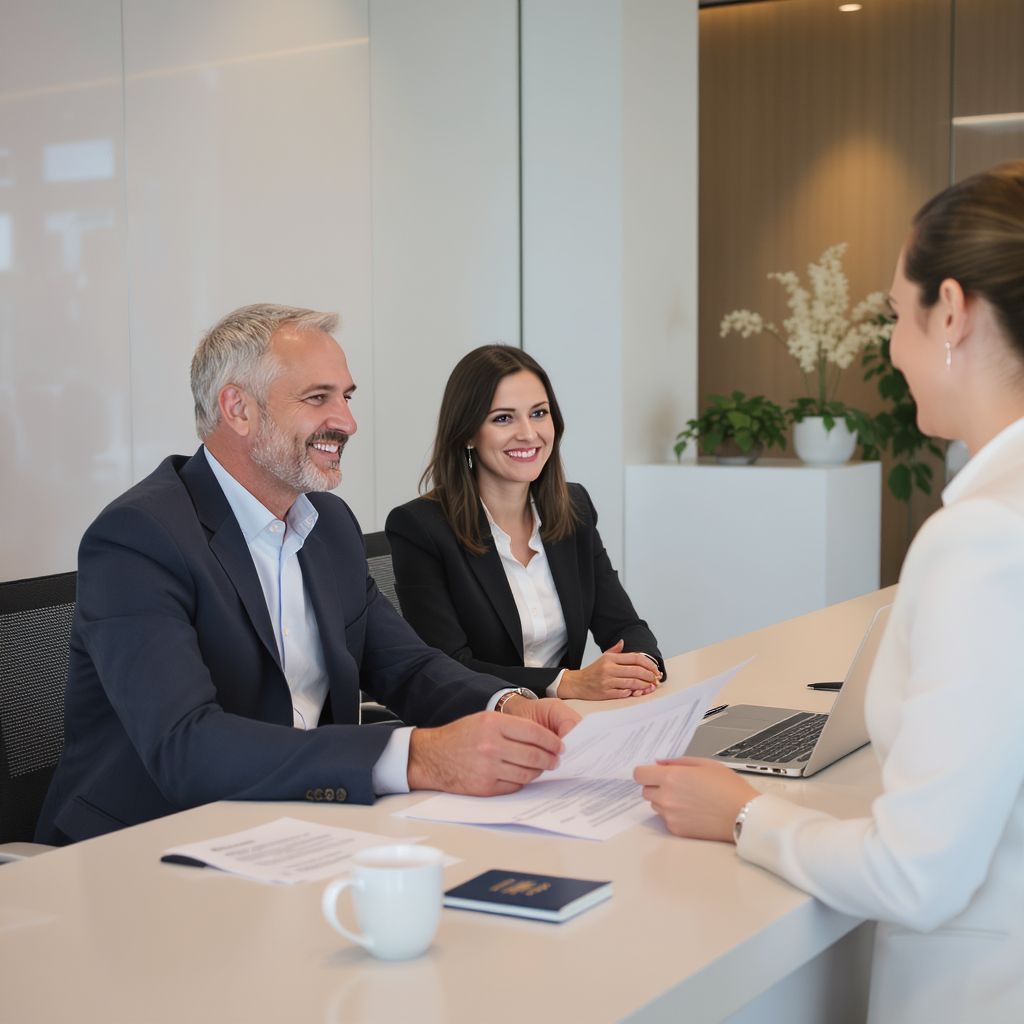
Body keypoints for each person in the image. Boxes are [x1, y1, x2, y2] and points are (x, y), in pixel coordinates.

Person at [635, 162, 1024, 1022]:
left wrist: (746, 814)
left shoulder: (984, 537)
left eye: (895, 314)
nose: (891, 345)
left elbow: (914, 874)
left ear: (951, 311)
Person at [37, 305, 579, 845]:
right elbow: (185, 745)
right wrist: (418, 757)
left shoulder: (329, 526)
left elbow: (406, 667)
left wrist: (510, 705)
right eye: (318, 398)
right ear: (238, 408)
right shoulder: (139, 536)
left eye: (347, 396)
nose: (347, 421)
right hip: (146, 844)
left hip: (296, 828)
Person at [385, 345, 664, 701]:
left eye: (538, 413)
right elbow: (446, 665)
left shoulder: (573, 508)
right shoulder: (420, 528)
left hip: (568, 721)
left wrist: (639, 664)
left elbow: (623, 625)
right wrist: (567, 682)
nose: (529, 434)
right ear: (468, 433)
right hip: (477, 728)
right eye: (503, 418)